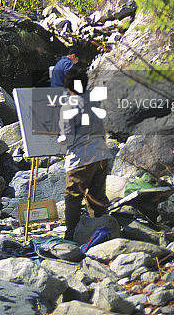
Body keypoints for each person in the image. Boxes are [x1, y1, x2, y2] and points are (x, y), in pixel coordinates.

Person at [58, 67, 112, 241]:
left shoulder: (69, 105)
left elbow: (68, 138)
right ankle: (102, 232)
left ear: (69, 88)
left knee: (73, 197)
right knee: (97, 196)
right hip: (101, 155)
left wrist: (57, 139)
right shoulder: (94, 100)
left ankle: (70, 235)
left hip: (82, 158)